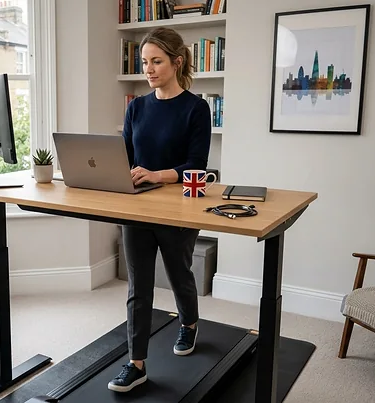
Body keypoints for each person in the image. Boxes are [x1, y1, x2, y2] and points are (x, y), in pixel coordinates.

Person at [107, 27, 212, 393]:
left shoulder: (196, 109)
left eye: (156, 61)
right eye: (144, 62)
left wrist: (157, 175)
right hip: (137, 209)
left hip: (178, 208)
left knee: (178, 271)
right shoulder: (136, 106)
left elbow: (197, 164)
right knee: (139, 285)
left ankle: (189, 323)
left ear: (176, 62)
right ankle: (136, 363)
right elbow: (125, 158)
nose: (148, 69)